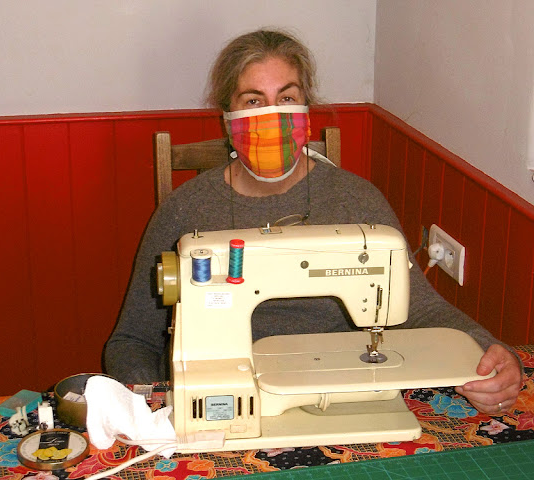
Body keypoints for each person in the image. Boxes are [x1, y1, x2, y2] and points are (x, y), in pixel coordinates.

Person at [103, 28, 522, 415]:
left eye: (286, 99)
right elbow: (133, 341)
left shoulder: (356, 200)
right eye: (253, 101)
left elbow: (421, 306)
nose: (271, 116)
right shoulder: (184, 212)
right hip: (224, 401)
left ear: (307, 109)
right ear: (227, 121)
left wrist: (488, 353)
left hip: (340, 391)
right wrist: (156, 406)